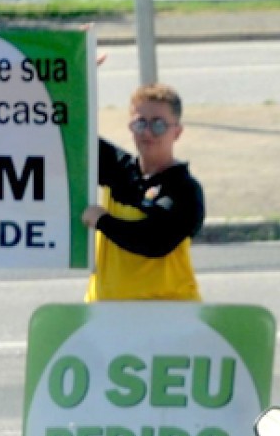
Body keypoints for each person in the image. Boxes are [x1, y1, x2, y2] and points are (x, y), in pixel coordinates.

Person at [83, 82, 204, 302]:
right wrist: (78, 75)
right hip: (107, 313)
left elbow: (154, 240)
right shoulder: (118, 170)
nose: (147, 132)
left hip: (168, 313)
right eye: (140, 123)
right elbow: (69, 131)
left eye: (158, 125)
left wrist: (102, 221)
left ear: (177, 132)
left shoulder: (184, 189)